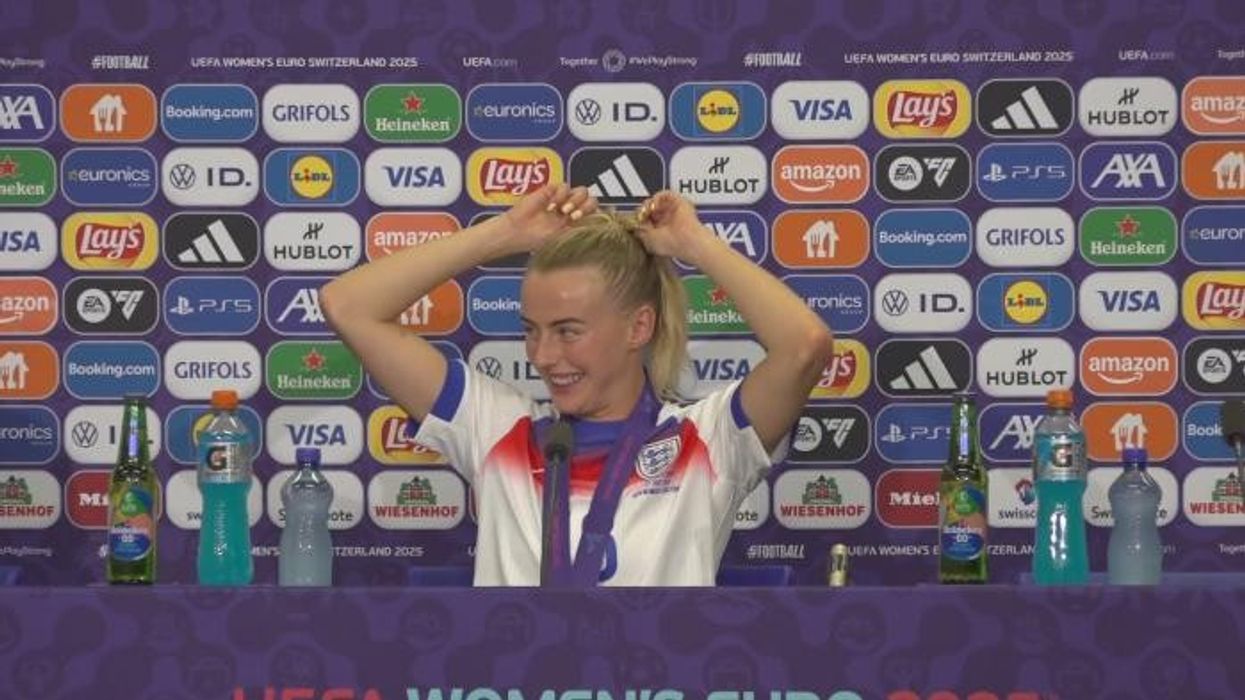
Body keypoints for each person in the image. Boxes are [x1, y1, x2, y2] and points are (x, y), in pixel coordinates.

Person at [320, 185, 833, 586]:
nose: (543, 357)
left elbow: (805, 346)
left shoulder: (707, 438)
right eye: (530, 330)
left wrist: (694, 244)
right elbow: (348, 306)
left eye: (568, 331)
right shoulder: (497, 428)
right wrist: (502, 233)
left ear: (639, 327)